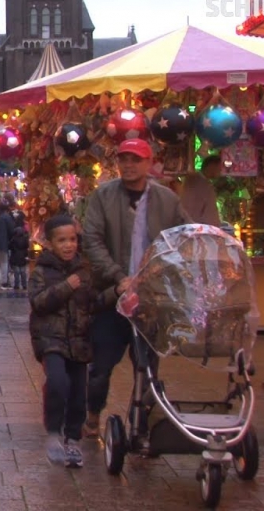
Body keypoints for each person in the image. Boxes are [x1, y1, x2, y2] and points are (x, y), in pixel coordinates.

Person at [81, 138, 190, 437]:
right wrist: (118, 277)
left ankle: (141, 424)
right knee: (101, 364)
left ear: (148, 162)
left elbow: (183, 237)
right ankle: (92, 415)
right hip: (113, 297)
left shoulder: (167, 199)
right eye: (123, 159)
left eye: (135, 159)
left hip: (151, 299)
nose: (128, 165)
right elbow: (92, 239)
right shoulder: (103, 196)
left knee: (147, 367)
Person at [29, 215, 124, 467]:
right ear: (49, 243)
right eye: (62, 240)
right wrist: (66, 287)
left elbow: (93, 303)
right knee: (58, 382)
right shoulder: (41, 271)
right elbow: (38, 303)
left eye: (72, 239)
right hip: (51, 339)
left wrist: (115, 293)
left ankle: (72, 439)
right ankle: (53, 432)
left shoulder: (84, 271)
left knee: (78, 392)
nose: (68, 245)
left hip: (80, 341)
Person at [181, 155, 223, 227]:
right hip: (197, 227)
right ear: (211, 166)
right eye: (219, 169)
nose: (220, 172)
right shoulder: (196, 182)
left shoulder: (196, 181)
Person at [9, 225, 30, 290]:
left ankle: (16, 285)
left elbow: (9, 246)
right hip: (22, 257)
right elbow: (27, 246)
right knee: (23, 272)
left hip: (15, 257)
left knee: (16, 272)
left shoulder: (13, 240)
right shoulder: (25, 239)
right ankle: (24, 285)